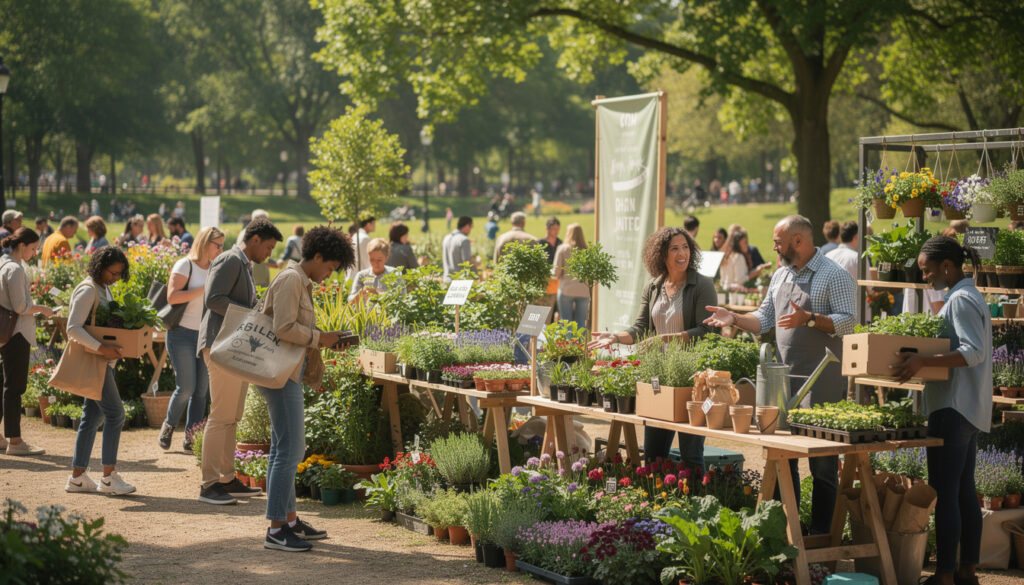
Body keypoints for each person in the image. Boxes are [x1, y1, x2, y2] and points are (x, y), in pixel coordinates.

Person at [703, 214, 855, 535]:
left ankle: (822, 538)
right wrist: (734, 317)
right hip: (783, 382)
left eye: (778, 242)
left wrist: (810, 318)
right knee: (784, 460)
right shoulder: (781, 275)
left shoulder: (834, 275)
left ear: (798, 241)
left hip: (822, 382)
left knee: (823, 466)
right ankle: (789, 533)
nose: (773, 247)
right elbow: (764, 318)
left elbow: (849, 322)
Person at [891, 236, 989, 585]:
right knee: (963, 491)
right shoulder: (970, 295)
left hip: (952, 407)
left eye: (927, 270)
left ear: (947, 267)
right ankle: (967, 572)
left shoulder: (960, 300)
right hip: (969, 407)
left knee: (945, 492)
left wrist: (923, 361)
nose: (924, 277)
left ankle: (944, 575)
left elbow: (973, 351)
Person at [257, 226, 355, 551]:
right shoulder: (291, 280)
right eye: (330, 267)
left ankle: (288, 520)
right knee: (290, 451)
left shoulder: (299, 281)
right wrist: (319, 338)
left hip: (287, 372)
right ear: (317, 256)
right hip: (280, 374)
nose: (330, 275)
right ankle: (276, 529)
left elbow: (294, 327)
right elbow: (283, 327)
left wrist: (325, 339)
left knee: (283, 449)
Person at [589, 226, 717, 470]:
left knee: (691, 455)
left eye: (686, 247)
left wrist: (664, 339)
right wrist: (615, 337)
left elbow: (707, 331)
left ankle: (696, 494)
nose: (682, 254)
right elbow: (640, 328)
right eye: (674, 249)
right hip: (659, 378)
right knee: (653, 454)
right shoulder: (653, 286)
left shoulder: (702, 285)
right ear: (661, 255)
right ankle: (658, 494)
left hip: (692, 380)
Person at [198, 217, 282, 505]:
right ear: (254, 239)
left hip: (232, 348)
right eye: (268, 247)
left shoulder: (242, 264)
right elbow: (213, 299)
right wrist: (250, 314)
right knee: (221, 416)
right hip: (220, 346)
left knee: (232, 417)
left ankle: (226, 478)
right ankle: (209, 485)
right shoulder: (230, 259)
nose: (268, 255)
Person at [65, 247, 136, 495]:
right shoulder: (88, 290)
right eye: (112, 273)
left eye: (119, 274)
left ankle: (77, 478)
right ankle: (108, 478)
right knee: (116, 415)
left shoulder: (103, 288)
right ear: (99, 267)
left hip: (102, 361)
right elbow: (72, 328)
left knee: (92, 417)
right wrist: (102, 348)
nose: (115, 278)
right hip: (94, 362)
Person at [158, 227, 225, 451]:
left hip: (206, 336)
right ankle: (169, 425)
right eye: (217, 245)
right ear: (205, 243)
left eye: (222, 245)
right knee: (186, 387)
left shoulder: (216, 268)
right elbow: (172, 297)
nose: (220, 250)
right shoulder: (184, 265)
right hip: (182, 334)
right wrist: (204, 289)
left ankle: (191, 437)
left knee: (201, 391)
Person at [0, 228, 55, 456]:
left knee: (6, 385)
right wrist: (43, 309)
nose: (35, 253)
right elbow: (21, 307)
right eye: (33, 248)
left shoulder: (4, 264)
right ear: (22, 245)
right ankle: (15, 441)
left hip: (7, 332)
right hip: (17, 333)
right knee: (15, 388)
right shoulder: (14, 269)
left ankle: (8, 438)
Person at [553, 223, 590, 329]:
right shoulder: (587, 250)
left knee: (566, 322)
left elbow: (556, 272)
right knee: (581, 322)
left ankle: (568, 340)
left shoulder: (563, 249)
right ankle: (581, 340)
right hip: (584, 290)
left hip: (566, 289)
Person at [720, 230, 770, 306]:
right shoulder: (739, 257)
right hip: (735, 297)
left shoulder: (727, 255)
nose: (747, 245)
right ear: (738, 244)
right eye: (745, 242)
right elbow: (740, 280)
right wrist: (755, 273)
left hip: (724, 294)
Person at [441, 216, 476, 282]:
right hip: (459, 282)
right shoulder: (464, 240)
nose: (470, 230)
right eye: (471, 227)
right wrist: (476, 274)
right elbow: (467, 261)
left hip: (446, 279)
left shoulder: (446, 238)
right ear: (467, 226)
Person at [345, 217, 375, 281]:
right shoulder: (365, 238)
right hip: (358, 278)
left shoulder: (356, 235)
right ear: (368, 224)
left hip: (352, 276)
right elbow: (367, 262)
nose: (374, 226)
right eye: (373, 223)